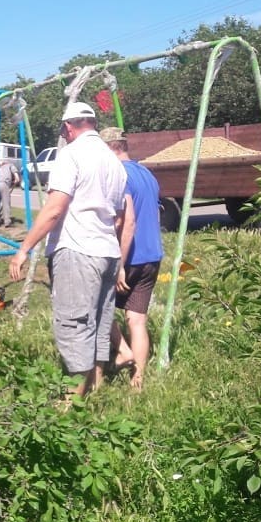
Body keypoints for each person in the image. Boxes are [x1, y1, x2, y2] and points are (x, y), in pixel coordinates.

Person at [9, 102, 127, 398]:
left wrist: (24, 248)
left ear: (69, 127)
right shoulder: (114, 161)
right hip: (107, 251)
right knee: (100, 320)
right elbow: (117, 215)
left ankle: (72, 401)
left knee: (74, 322)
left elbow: (54, 209)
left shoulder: (71, 155)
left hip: (78, 248)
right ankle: (96, 386)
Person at [100, 127, 164, 390]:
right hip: (152, 255)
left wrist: (119, 265)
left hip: (129, 257)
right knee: (137, 320)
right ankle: (137, 382)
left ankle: (121, 351)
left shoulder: (119, 174)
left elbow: (126, 222)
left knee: (97, 307)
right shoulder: (147, 174)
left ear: (112, 147)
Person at [0, 159, 21, 228]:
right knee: (6, 204)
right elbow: (17, 178)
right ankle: (7, 222)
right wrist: (14, 182)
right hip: (4, 184)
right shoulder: (10, 165)